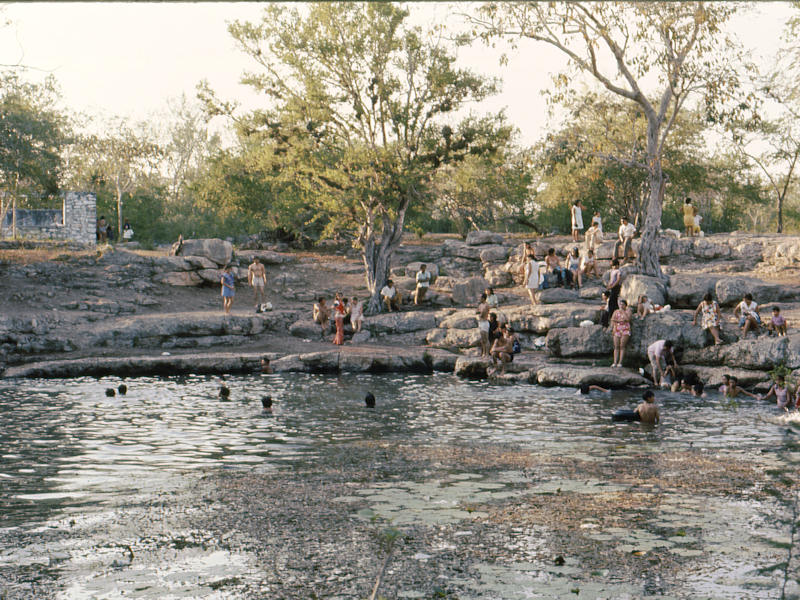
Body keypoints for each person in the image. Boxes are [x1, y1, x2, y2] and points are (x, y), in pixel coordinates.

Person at [611, 299, 632, 368]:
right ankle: (615, 362)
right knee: (616, 346)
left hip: (625, 329)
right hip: (617, 329)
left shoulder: (628, 311)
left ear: (625, 305)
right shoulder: (616, 311)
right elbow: (613, 319)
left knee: (622, 346)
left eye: (623, 304)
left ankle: (620, 362)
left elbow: (628, 319)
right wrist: (617, 323)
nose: (621, 306)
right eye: (620, 304)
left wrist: (623, 312)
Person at [477, 293, 490, 357]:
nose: (479, 299)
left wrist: (480, 313)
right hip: (480, 322)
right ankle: (484, 352)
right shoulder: (480, 305)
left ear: (483, 298)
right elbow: (477, 311)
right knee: (482, 339)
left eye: (480, 298)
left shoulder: (486, 305)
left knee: (486, 338)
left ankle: (487, 353)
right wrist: (479, 312)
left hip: (485, 322)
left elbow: (482, 313)